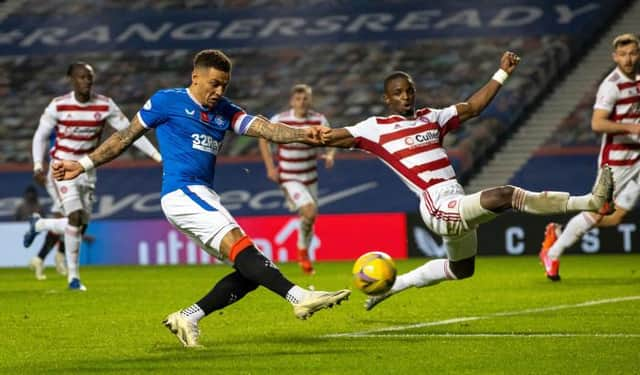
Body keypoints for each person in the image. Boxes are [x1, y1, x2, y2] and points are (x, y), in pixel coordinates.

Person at [52, 49, 350, 347]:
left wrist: (303, 134)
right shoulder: (166, 101)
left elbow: (267, 129)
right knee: (245, 251)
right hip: (181, 192)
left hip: (204, 194)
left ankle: (188, 317)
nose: (219, 91)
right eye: (214, 84)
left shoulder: (225, 110)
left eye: (225, 85)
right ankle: (300, 297)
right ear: (196, 77)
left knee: (252, 268)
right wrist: (83, 164)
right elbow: (124, 137)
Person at [319, 51, 614, 311]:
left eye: (409, 91)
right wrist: (286, 133)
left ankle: (393, 286)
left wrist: (502, 74)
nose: (405, 97)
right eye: (398, 93)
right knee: (506, 195)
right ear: (387, 99)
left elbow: (473, 107)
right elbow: (329, 137)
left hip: (456, 198)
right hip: (436, 205)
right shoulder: (375, 128)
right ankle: (590, 201)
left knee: (462, 269)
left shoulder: (431, 117)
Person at [23, 61, 162, 291]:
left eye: (89, 77)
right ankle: (73, 279)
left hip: (87, 168)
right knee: (75, 217)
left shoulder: (105, 105)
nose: (86, 81)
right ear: (72, 79)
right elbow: (40, 135)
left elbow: (130, 133)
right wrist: (38, 164)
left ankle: (39, 224)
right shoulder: (58, 105)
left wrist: (157, 156)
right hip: (61, 168)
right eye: (81, 77)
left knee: (82, 224)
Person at [539, 33, 640, 281]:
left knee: (615, 218)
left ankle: (560, 233)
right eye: (623, 54)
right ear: (615, 57)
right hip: (618, 160)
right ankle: (553, 251)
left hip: (638, 157)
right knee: (597, 212)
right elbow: (597, 123)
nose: (628, 59)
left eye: (633, 53)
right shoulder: (611, 85)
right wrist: (631, 128)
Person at [259, 84, 336, 274]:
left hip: (311, 177)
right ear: (292, 101)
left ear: (310, 100)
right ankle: (302, 251)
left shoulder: (318, 119)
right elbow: (263, 138)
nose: (302, 102)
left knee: (310, 217)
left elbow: (332, 139)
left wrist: (330, 154)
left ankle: (304, 253)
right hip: (289, 177)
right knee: (309, 211)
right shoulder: (281, 120)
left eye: (305, 99)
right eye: (298, 99)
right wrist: (270, 167)